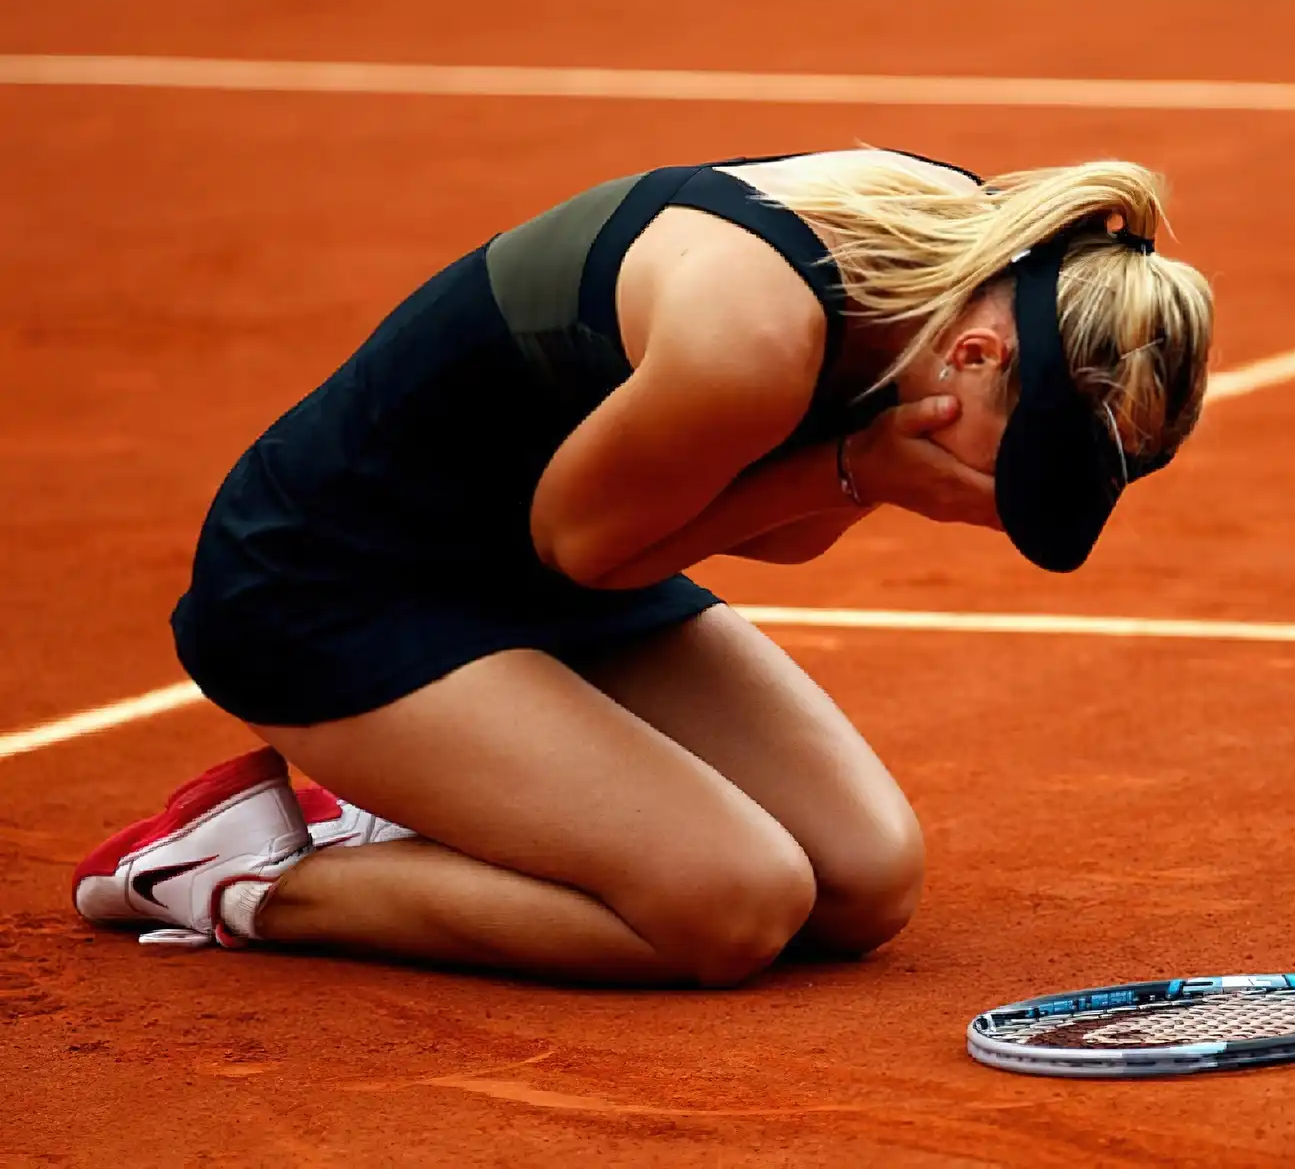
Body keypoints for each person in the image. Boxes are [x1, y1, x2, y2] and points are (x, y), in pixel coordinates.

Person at [71, 148, 1213, 985]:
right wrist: (854, 471)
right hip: (333, 584)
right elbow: (587, 553)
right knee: (731, 908)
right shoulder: (752, 337)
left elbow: (772, 528)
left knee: (865, 881)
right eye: (1028, 462)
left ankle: (451, 794)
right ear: (977, 351)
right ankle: (243, 875)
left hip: (545, 545)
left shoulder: (962, 268)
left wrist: (860, 477)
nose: (1007, 501)